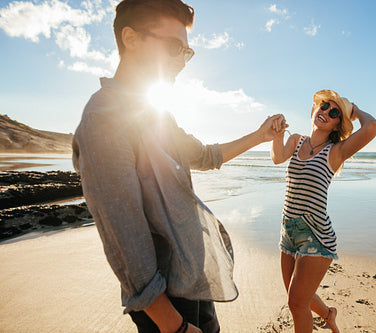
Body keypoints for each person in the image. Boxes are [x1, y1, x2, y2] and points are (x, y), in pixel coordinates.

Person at [72, 1, 285, 332]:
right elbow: (125, 239)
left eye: (188, 52)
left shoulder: (155, 113)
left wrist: (259, 135)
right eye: (174, 47)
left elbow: (205, 156)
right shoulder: (104, 118)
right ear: (130, 38)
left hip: (191, 280)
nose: (183, 62)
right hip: (168, 305)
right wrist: (175, 326)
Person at [270, 89, 376, 333]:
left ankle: (327, 317)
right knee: (297, 296)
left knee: (296, 304)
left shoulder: (336, 152)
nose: (325, 112)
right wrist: (277, 135)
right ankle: (329, 315)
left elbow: (372, 127)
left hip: (316, 236)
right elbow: (277, 157)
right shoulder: (296, 140)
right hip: (287, 231)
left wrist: (355, 110)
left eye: (334, 112)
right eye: (323, 107)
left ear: (338, 125)